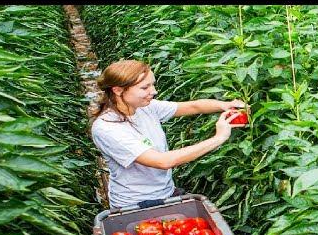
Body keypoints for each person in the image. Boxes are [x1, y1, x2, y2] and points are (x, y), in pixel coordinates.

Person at [90, 59, 248, 208]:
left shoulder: (145, 107)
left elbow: (194, 107)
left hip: (166, 192)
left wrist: (225, 105)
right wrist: (218, 138)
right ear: (117, 90)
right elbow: (162, 161)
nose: (154, 91)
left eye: (152, 85)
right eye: (145, 88)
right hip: (135, 204)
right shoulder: (107, 128)